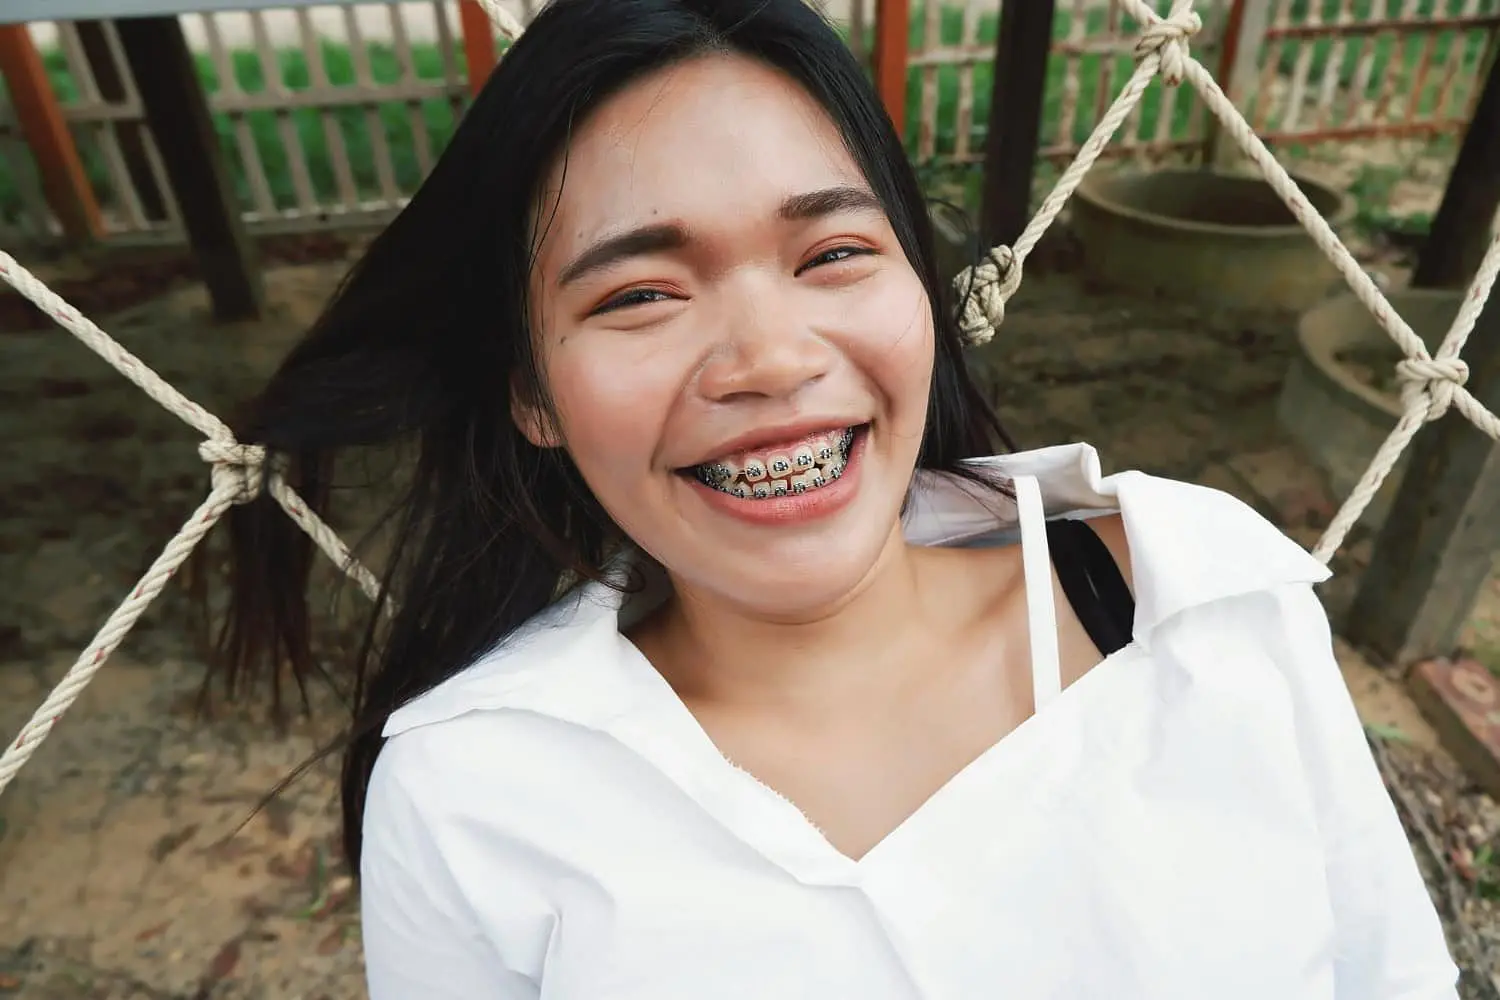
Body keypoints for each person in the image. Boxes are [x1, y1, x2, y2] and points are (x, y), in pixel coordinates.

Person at [217, 0, 1461, 996]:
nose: (769, 359)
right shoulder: (475, 788)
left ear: (921, 290)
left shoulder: (1192, 595)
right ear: (532, 395)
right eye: (641, 293)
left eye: (835, 254)